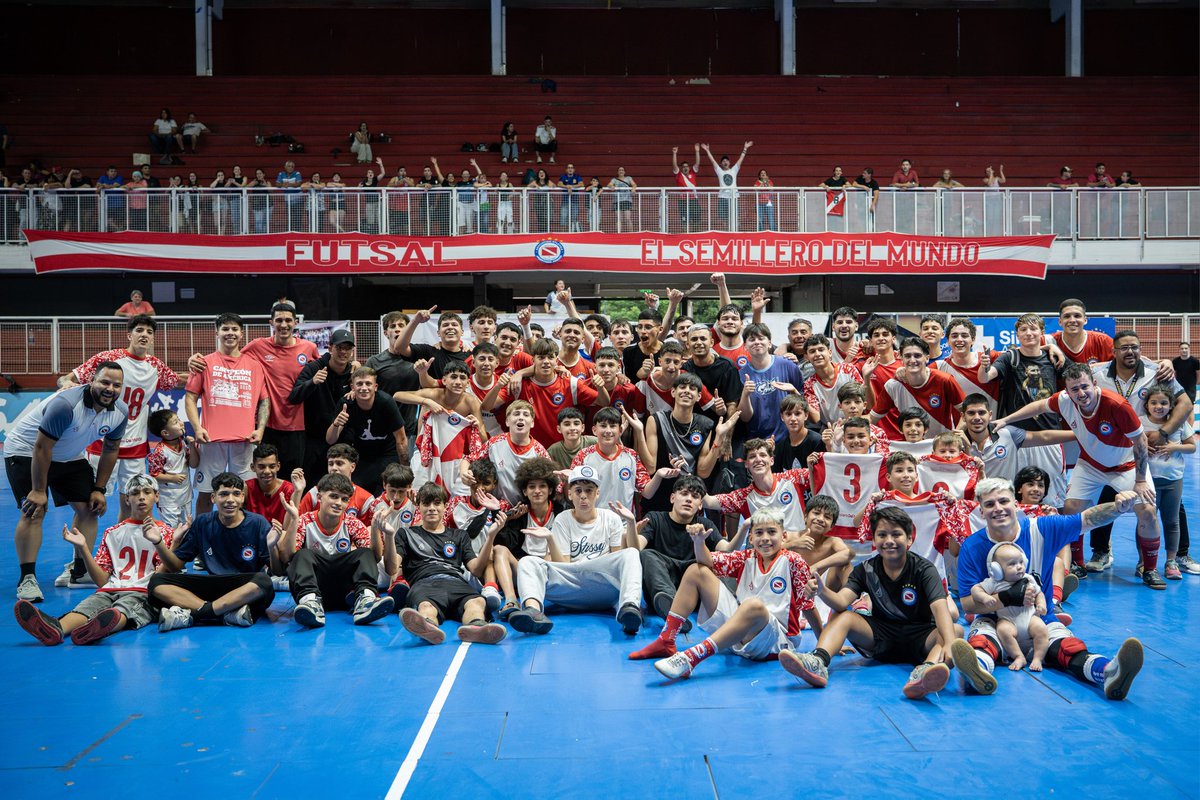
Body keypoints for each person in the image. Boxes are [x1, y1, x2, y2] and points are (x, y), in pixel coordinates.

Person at [953, 477, 1144, 700]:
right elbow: (967, 602)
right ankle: (976, 672)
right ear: (980, 510)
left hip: (1039, 620)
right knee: (982, 643)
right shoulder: (972, 547)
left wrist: (1117, 507)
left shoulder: (1041, 529)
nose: (998, 509)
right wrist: (1004, 598)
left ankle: (1108, 672)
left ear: (1015, 503)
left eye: (1003, 501)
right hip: (995, 620)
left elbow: (1086, 519)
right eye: (989, 504)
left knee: (1069, 648)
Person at [995, 363, 1165, 589]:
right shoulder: (1064, 400)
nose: (1081, 394)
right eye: (1074, 389)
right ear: (1067, 390)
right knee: (1072, 509)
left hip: (1126, 465)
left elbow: (1140, 442)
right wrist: (1006, 420)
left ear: (1095, 384)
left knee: (1148, 512)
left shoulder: (1117, 405)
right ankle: (1078, 564)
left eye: (1085, 386)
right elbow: (1037, 406)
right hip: (1091, 465)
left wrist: (1141, 480)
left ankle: (1150, 569)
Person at [782, 506, 959, 699]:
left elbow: (940, 609)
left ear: (909, 539)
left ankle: (925, 672)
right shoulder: (865, 569)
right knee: (846, 617)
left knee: (954, 633)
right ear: (874, 540)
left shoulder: (924, 569)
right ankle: (817, 662)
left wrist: (950, 643)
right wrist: (822, 591)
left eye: (896, 534)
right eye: (882, 535)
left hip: (921, 637)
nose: (889, 541)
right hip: (880, 637)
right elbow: (841, 602)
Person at [631, 508, 818, 681]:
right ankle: (666, 640)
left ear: (784, 536)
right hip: (741, 633)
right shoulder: (746, 557)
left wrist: (823, 644)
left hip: (776, 642)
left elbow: (808, 606)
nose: (765, 538)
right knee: (697, 570)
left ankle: (692, 657)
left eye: (772, 532)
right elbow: (708, 560)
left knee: (753, 605)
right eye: (759, 533)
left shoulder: (793, 561)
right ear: (750, 538)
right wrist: (698, 542)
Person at [6, 363, 127, 602]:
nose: (110, 388)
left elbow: (111, 448)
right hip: (26, 451)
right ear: (92, 380)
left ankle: (80, 572)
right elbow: (42, 447)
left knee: (91, 508)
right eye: (105, 382)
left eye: (116, 385)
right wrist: (39, 490)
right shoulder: (66, 405)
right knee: (34, 510)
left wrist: (99, 489)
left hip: (68, 455)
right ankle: (27, 578)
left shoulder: (120, 412)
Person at [13, 475, 176, 646]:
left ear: (156, 496)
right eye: (135, 493)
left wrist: (166, 544)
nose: (141, 497)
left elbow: (161, 576)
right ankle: (57, 628)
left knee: (123, 610)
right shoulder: (112, 532)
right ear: (127, 499)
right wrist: (83, 548)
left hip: (143, 592)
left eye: (147, 492)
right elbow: (101, 581)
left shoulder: (165, 533)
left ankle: (98, 628)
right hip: (109, 589)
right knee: (89, 605)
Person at [60, 314, 179, 525]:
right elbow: (68, 378)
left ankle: (120, 549)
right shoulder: (109, 358)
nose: (144, 335)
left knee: (131, 502)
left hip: (135, 447)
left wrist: (202, 367)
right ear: (129, 335)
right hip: (101, 443)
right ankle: (80, 557)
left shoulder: (156, 366)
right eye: (139, 331)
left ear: (153, 339)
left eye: (149, 332)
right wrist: (65, 384)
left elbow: (178, 380)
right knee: (91, 502)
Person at [508, 466, 644, 636]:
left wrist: (631, 524)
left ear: (598, 493)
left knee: (631, 553)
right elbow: (563, 564)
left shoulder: (611, 518)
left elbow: (618, 559)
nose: (583, 496)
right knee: (528, 561)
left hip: (602, 585)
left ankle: (629, 608)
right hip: (571, 584)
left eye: (589, 490)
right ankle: (533, 611)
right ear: (570, 494)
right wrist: (550, 539)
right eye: (578, 490)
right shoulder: (563, 519)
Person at [151, 472, 278, 632]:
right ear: (213, 498)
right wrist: (159, 543)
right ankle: (225, 614)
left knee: (264, 582)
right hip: (213, 584)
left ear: (242, 498)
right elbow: (175, 566)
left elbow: (277, 570)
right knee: (157, 583)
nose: (230, 500)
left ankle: (197, 614)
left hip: (243, 586)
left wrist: (273, 546)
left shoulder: (257, 523)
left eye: (236, 494)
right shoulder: (203, 523)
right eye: (224, 494)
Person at [387, 481, 510, 645]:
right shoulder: (406, 534)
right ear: (418, 507)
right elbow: (392, 567)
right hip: (425, 584)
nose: (431, 508)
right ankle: (428, 627)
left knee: (477, 602)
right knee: (425, 606)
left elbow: (476, 569)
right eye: (426, 503)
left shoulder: (459, 535)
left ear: (445, 506)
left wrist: (491, 536)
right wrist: (388, 536)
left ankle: (476, 628)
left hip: (456, 583)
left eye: (437, 503)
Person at [279, 472, 393, 627]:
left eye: (344, 499)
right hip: (316, 588)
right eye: (333, 496)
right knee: (301, 555)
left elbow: (375, 557)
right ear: (319, 497)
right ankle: (310, 603)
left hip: (345, 592)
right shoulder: (304, 521)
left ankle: (365, 601)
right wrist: (293, 520)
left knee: (365, 553)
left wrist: (374, 527)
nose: (339, 503)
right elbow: (286, 558)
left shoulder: (352, 523)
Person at [186, 313, 269, 516]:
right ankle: (202, 536)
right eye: (225, 329)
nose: (229, 333)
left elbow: (264, 401)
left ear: (241, 334)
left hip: (245, 441)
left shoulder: (255, 366)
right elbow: (190, 398)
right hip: (211, 441)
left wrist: (260, 429)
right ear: (217, 332)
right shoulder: (203, 363)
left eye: (234, 329)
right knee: (206, 494)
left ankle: (240, 534)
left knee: (244, 493)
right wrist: (197, 427)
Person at [627, 474, 732, 620]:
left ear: (700, 505)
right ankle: (671, 607)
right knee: (647, 555)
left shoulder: (705, 525)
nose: (689, 499)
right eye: (684, 494)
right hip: (660, 589)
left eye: (695, 496)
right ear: (672, 498)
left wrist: (746, 528)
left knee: (705, 565)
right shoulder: (655, 518)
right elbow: (635, 550)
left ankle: (675, 612)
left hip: (691, 588)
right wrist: (631, 524)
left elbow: (728, 550)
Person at [234, 303, 320, 475]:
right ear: (271, 322)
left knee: (293, 476)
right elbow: (232, 359)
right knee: (266, 475)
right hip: (267, 425)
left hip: (297, 426)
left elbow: (327, 369)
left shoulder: (309, 348)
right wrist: (199, 361)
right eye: (279, 320)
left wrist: (353, 365)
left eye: (288, 320)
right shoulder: (257, 346)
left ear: (295, 322)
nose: (283, 324)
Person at [288, 327, 357, 480]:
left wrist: (357, 393)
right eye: (339, 347)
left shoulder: (354, 372)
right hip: (314, 440)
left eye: (348, 348)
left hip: (343, 440)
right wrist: (312, 382)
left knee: (342, 485)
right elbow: (293, 397)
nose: (343, 352)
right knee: (313, 484)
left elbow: (369, 390)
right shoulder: (314, 368)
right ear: (330, 347)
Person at [1141, 384, 1194, 580]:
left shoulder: (1178, 423)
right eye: (1154, 402)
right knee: (1146, 521)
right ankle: (1144, 561)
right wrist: (1141, 449)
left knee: (1171, 522)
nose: (1158, 406)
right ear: (1147, 405)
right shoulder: (1140, 423)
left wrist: (1173, 447)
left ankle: (1171, 561)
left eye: (1164, 403)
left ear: (1171, 406)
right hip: (1148, 482)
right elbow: (1128, 447)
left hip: (1173, 480)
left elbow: (1192, 447)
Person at [326, 366, 407, 495]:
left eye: (368, 383)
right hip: (362, 457)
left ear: (375, 387)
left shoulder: (386, 402)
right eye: (359, 384)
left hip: (387, 454)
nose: (364, 387)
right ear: (352, 387)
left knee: (392, 491)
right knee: (355, 493)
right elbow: (330, 440)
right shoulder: (346, 403)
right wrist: (336, 424)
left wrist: (405, 470)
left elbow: (401, 439)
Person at [973, 541, 1051, 671]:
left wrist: (1041, 604)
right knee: (1003, 630)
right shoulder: (995, 582)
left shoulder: (1028, 578)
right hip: (1008, 620)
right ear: (997, 570)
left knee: (1041, 629)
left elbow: (1039, 593)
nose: (1019, 567)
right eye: (1012, 564)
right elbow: (975, 589)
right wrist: (985, 597)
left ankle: (1038, 658)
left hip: (1030, 618)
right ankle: (1018, 656)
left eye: (1021, 562)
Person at [869, 336, 965, 439]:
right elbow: (871, 418)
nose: (912, 360)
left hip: (942, 449)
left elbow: (967, 412)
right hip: (911, 448)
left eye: (917, 355)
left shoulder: (944, 380)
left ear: (927, 358)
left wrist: (955, 436)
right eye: (907, 356)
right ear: (900, 358)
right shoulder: (893, 386)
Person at [739, 322, 804, 443]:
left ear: (769, 343)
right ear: (745, 346)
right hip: (757, 441)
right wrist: (745, 394)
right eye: (752, 339)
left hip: (788, 438)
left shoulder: (788, 365)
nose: (757, 342)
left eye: (761, 338)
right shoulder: (741, 375)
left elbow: (803, 403)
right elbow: (745, 418)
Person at [146, 409, 198, 529]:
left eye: (179, 419)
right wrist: (172, 478)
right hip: (168, 501)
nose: (181, 423)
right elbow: (154, 475)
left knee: (187, 528)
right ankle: (170, 548)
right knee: (171, 530)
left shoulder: (184, 444)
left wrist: (192, 447)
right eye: (175, 422)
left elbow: (194, 464)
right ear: (165, 433)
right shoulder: (160, 451)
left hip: (185, 497)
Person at [701, 140, 752, 231]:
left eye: (726, 160)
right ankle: (726, 233)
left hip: (734, 197)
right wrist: (707, 150)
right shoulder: (719, 171)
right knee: (724, 218)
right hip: (723, 197)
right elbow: (713, 161)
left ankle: (735, 232)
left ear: (729, 163)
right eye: (723, 161)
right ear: (721, 164)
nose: (725, 162)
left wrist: (745, 148)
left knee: (736, 216)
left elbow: (741, 159)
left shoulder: (734, 170)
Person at [242, 443, 296, 526]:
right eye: (261, 466)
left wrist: (299, 491)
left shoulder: (289, 489)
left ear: (278, 466)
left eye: (272, 466)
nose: (267, 471)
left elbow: (293, 524)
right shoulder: (246, 488)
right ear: (253, 467)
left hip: (282, 537)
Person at [671, 144, 702, 233]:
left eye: (687, 166)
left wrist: (697, 151)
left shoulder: (693, 172)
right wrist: (674, 154)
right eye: (683, 167)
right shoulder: (678, 175)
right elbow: (674, 165)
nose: (685, 168)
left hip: (694, 200)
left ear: (689, 168)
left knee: (696, 220)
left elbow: (698, 163)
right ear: (681, 168)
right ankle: (685, 235)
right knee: (684, 221)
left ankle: (695, 236)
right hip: (683, 201)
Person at [276, 160, 304, 231]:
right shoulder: (281, 174)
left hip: (298, 199)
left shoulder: (297, 173)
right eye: (289, 166)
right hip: (288, 199)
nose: (291, 168)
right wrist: (284, 184)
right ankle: (290, 232)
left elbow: (298, 184)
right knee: (290, 217)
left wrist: (287, 184)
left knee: (298, 218)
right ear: (285, 167)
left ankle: (298, 233)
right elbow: (277, 184)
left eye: (292, 166)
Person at [607, 167, 638, 231]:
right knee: (618, 219)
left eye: (622, 170)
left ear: (624, 172)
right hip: (617, 201)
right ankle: (619, 234)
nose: (621, 171)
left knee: (627, 218)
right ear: (617, 172)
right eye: (619, 170)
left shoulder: (628, 178)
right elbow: (609, 184)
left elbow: (634, 184)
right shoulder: (614, 179)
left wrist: (634, 188)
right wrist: (611, 186)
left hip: (627, 200)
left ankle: (631, 234)